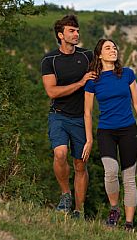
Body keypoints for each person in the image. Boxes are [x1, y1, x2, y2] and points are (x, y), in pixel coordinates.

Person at [84, 38, 137, 232]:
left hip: (128, 130)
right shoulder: (93, 81)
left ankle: (129, 224)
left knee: (129, 178)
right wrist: (89, 139)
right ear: (99, 54)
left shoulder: (127, 74)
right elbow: (87, 112)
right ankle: (114, 209)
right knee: (111, 172)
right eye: (108, 48)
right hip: (106, 131)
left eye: (114, 47)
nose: (113, 50)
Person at [40, 14, 96, 218]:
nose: (76, 34)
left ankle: (79, 210)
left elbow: (104, 73)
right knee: (60, 154)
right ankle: (65, 195)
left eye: (77, 30)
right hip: (59, 115)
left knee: (80, 164)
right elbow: (52, 92)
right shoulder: (49, 60)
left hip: (82, 118)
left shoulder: (87, 55)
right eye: (71, 31)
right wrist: (81, 83)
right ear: (60, 35)